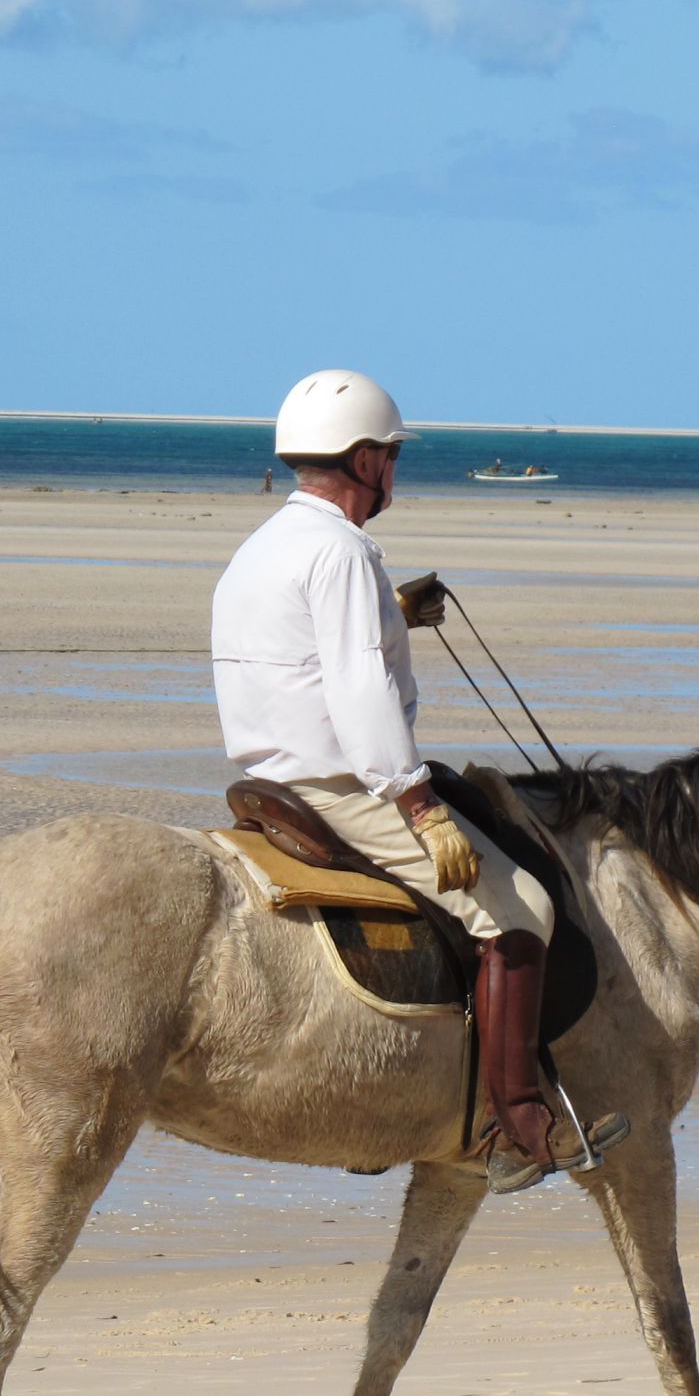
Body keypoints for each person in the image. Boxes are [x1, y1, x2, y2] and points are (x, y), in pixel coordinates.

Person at [210, 369, 597, 1193]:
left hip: (267, 777)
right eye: (388, 455)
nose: (393, 469)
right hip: (341, 789)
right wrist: (420, 806)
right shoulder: (341, 550)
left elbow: (306, 643)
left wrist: (390, 610)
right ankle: (514, 1124)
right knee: (518, 909)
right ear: (363, 461)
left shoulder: (267, 545)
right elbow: (358, 690)